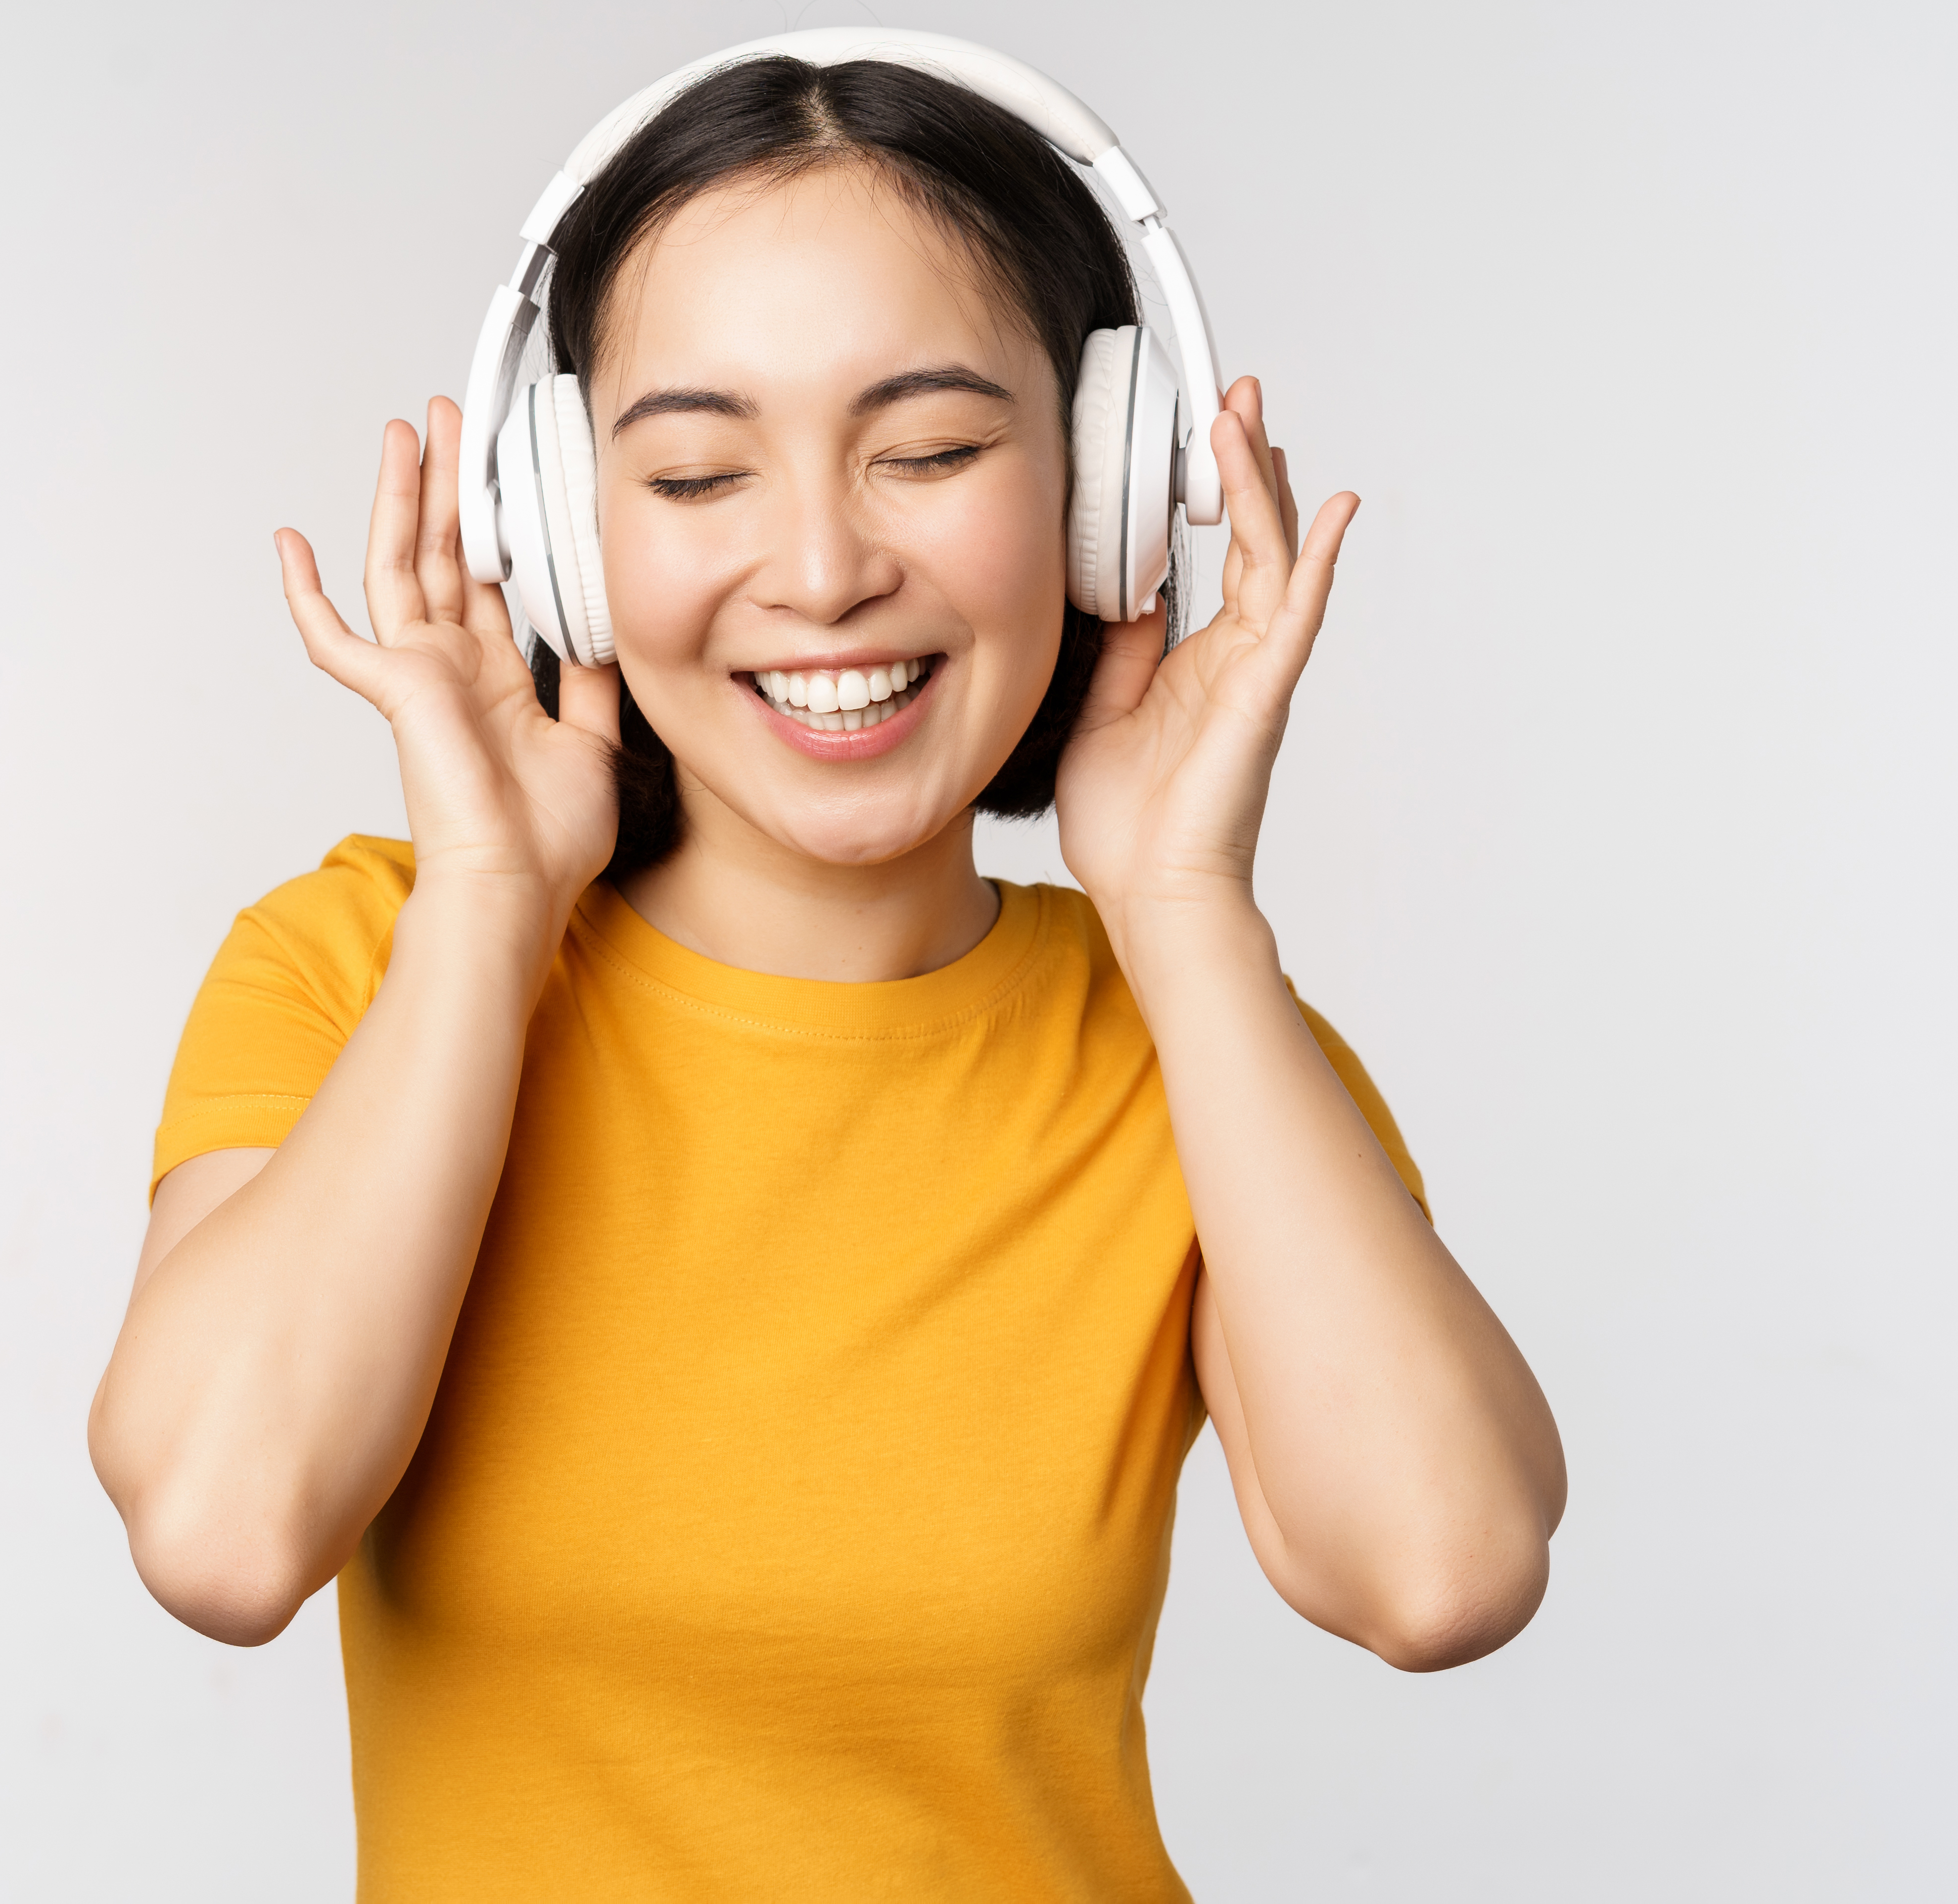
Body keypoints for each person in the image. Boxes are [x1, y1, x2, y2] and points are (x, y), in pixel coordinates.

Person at [84, 40, 1564, 1898]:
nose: (820, 567)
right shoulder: (365, 965)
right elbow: (225, 1534)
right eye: (699, 472)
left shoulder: (1196, 1044)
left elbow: (1440, 1571)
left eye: (929, 451)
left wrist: (1184, 903)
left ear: (1103, 492)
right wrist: (488, 892)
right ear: (562, 530)